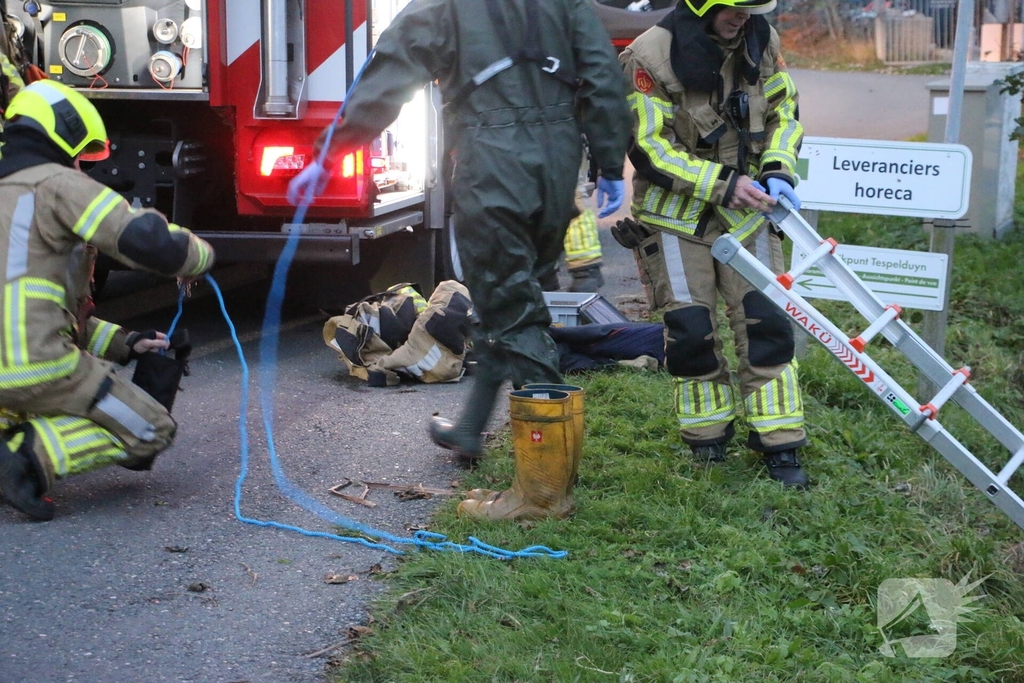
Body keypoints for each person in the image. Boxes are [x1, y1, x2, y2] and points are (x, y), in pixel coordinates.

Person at [288, 0, 631, 519]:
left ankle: (545, 492)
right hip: (559, 156)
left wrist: (329, 151)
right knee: (512, 296)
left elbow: (388, 81)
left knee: (514, 311)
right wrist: (608, 160)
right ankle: (470, 429)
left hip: (494, 159)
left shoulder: (443, 6)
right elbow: (603, 77)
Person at [0, 80, 216, 521]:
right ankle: (30, 456)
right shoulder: (58, 184)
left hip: (13, 377)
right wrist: (199, 255)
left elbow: (34, 305)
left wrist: (125, 343)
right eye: (81, 154)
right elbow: (141, 239)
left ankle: (13, 439)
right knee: (151, 430)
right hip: (38, 369)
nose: (81, 166)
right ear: (64, 132)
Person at [619, 0, 810, 487]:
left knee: (766, 325)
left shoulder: (760, 40)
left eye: (751, 9)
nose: (743, 17)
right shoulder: (650, 53)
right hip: (677, 219)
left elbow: (784, 111)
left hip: (749, 213)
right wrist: (722, 184)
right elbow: (649, 146)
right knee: (691, 331)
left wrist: (778, 168)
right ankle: (707, 442)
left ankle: (780, 444)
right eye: (734, 8)